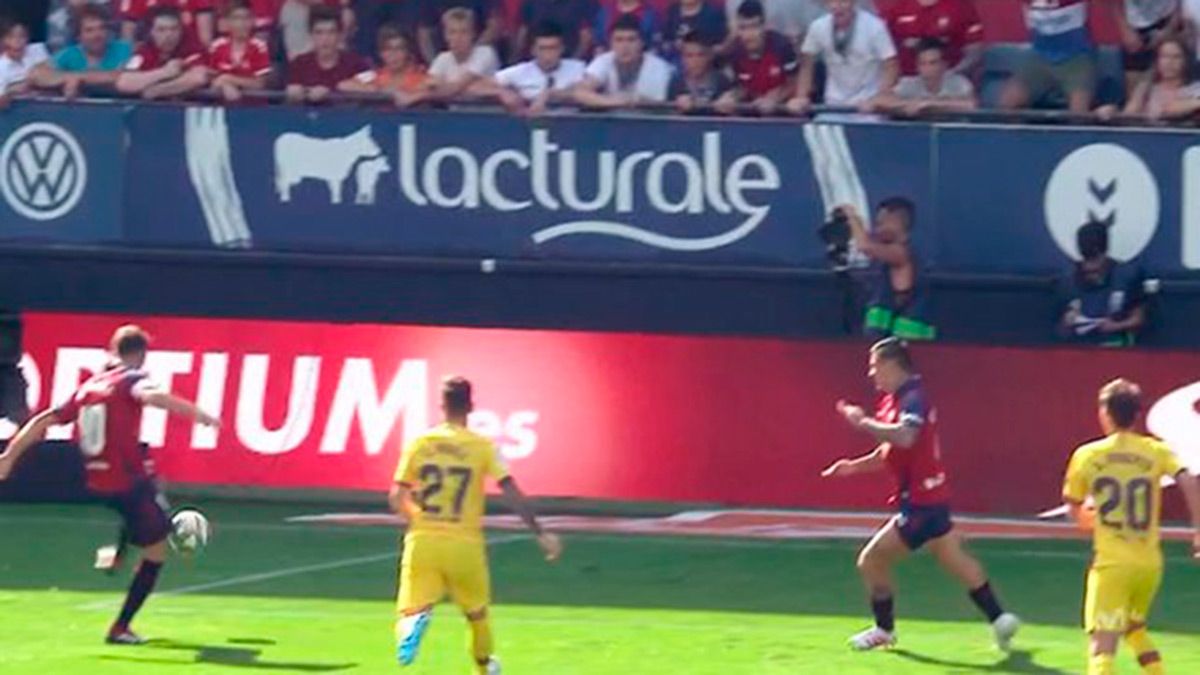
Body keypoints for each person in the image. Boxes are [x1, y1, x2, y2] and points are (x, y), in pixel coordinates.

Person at [0, 325, 221, 645]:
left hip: (100, 479)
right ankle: (121, 627)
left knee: (148, 492)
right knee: (156, 550)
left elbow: (44, 419)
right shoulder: (131, 380)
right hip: (125, 479)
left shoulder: (90, 386)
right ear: (141, 355)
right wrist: (199, 414)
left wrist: (9, 455)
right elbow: (152, 396)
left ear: (112, 351)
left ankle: (118, 554)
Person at [822, 338, 1020, 652]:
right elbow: (890, 449)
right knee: (953, 559)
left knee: (871, 561)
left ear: (891, 364)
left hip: (921, 504)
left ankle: (883, 630)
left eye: (874, 366)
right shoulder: (894, 399)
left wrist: (864, 423)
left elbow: (906, 436)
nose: (871, 374)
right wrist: (852, 467)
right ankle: (1000, 619)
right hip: (933, 498)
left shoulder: (913, 397)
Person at [390, 377, 562, 673]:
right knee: (477, 616)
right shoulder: (482, 447)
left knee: (410, 610)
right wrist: (540, 532)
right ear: (470, 407)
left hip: (423, 542)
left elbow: (396, 496)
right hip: (464, 546)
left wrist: (418, 519)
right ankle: (484, 668)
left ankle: (412, 626)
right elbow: (510, 489)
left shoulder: (420, 443)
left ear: (441, 405)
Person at [1060, 378, 1200, 675]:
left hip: (1112, 565)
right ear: (1137, 416)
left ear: (1105, 413)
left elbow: (1074, 506)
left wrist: (1089, 519)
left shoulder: (1088, 455)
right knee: (1134, 627)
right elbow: (1188, 479)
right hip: (1149, 564)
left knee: (1102, 645)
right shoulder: (1156, 451)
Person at [841, 199, 937, 341]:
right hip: (889, 343)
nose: (877, 230)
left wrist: (852, 217)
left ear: (896, 222)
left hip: (902, 345)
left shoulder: (901, 254)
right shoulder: (889, 258)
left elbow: (864, 246)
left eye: (881, 223)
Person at [791, 0, 897, 113]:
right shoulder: (818, 26)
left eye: (843, 2)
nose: (837, 7)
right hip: (832, 103)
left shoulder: (874, 26)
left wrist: (881, 96)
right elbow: (807, 64)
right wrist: (801, 97)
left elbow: (891, 65)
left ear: (853, 3)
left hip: (867, 103)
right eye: (832, 2)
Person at [1057, 220, 1148, 347]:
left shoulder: (1127, 276)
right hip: (1079, 351)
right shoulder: (1067, 280)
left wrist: (1116, 326)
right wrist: (1066, 322)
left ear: (1103, 252)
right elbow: (1060, 331)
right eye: (1087, 261)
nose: (1091, 269)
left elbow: (1139, 318)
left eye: (1095, 261)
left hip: (1117, 349)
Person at [1000, 0, 1096, 114]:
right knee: (1008, 104)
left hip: (1076, 59)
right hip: (1039, 58)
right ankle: (1020, 132)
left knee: (1079, 113)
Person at [30, 4, 133, 98]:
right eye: (89, 30)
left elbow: (126, 77)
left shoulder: (124, 49)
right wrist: (69, 78)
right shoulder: (70, 54)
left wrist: (79, 79)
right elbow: (36, 74)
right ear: (78, 37)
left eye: (102, 28)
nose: (97, 35)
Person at [574, 14, 673, 108]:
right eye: (619, 40)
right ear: (611, 44)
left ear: (641, 43)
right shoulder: (604, 61)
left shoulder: (658, 68)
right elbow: (579, 92)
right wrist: (616, 102)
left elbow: (655, 106)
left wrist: (634, 101)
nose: (625, 47)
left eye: (631, 40)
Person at [491, 20, 586, 114]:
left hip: (570, 125)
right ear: (533, 50)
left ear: (562, 49)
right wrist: (501, 92)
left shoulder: (579, 68)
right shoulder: (520, 71)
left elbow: (588, 93)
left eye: (553, 48)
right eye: (542, 49)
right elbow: (478, 85)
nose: (547, 55)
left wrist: (550, 94)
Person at [116, 6, 208, 99]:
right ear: (151, 32)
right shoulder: (145, 51)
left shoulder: (190, 48)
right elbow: (123, 83)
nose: (169, 35)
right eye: (161, 30)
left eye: (174, 29)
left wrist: (158, 90)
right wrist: (164, 72)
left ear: (181, 30)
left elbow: (199, 77)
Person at [285, 6, 370, 104]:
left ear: (340, 35)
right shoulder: (299, 64)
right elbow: (289, 97)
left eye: (331, 32)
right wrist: (296, 94)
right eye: (319, 33)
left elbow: (372, 87)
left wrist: (333, 91)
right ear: (311, 35)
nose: (325, 39)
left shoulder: (357, 63)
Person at [728, 0, 797, 115]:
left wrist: (775, 98)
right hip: (753, 113)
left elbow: (795, 82)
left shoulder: (782, 47)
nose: (748, 34)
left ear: (764, 26)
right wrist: (731, 97)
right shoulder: (736, 51)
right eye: (743, 28)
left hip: (784, 113)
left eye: (754, 27)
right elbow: (741, 86)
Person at [875, 37, 976, 116]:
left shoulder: (959, 83)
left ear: (944, 64)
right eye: (923, 63)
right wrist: (906, 105)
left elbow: (971, 105)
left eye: (933, 63)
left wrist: (929, 105)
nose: (928, 68)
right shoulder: (908, 84)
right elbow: (880, 101)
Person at [882, 0, 983, 78]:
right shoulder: (899, 9)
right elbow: (884, 51)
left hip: (950, 83)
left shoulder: (961, 7)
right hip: (907, 83)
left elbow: (975, 51)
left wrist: (954, 75)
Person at [339, 24, 430, 107]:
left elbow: (440, 88)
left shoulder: (420, 75)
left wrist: (415, 96)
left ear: (408, 52)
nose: (393, 55)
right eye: (388, 49)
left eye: (399, 49)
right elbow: (343, 85)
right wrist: (380, 90)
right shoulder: (374, 75)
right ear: (381, 53)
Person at [1110, 36, 1200, 120]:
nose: (1169, 62)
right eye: (1164, 57)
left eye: (1176, 57)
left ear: (1185, 61)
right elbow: (1128, 117)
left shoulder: (1195, 89)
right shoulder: (1146, 89)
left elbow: (1170, 110)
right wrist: (1112, 112)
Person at [427, 7, 501, 102]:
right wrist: (475, 88)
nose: (458, 37)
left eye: (464, 32)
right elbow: (430, 88)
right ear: (445, 35)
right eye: (453, 32)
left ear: (473, 34)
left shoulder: (485, 53)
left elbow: (456, 87)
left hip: (487, 112)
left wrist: (446, 89)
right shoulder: (442, 58)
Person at [206, 0, 273, 103]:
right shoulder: (216, 46)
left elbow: (259, 84)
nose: (242, 23)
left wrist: (228, 79)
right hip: (222, 108)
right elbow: (212, 82)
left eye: (246, 18)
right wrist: (225, 85)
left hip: (254, 109)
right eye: (236, 18)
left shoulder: (259, 47)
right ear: (227, 22)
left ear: (253, 21)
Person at [1115, 0, 1180, 95]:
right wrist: (1125, 30)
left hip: (1166, 19)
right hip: (1134, 26)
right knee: (1135, 86)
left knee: (1172, 75)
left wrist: (1171, 27)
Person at [669, 29, 736, 113]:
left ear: (709, 56)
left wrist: (727, 108)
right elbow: (668, 118)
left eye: (700, 55)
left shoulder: (721, 81)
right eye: (689, 56)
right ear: (682, 58)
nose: (695, 60)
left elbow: (732, 118)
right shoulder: (676, 82)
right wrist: (678, 110)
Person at [517, 0, 596, 60]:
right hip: (535, 61)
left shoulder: (580, 3)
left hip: (569, 58)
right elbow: (523, 33)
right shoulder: (530, 3)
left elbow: (585, 37)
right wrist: (516, 58)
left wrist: (574, 60)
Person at [662, 0, 726, 64]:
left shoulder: (713, 15)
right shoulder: (673, 11)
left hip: (703, 65)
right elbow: (666, 39)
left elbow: (718, 49)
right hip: (674, 63)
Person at [0, 19, 51, 99]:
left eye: (22, 36)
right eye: (11, 37)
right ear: (3, 40)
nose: (17, 41)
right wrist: (11, 91)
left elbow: (51, 74)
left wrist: (31, 81)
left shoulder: (37, 50)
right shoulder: (1, 67)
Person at [594, 0, 663, 53]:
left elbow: (655, 44)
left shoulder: (650, 14)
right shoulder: (605, 11)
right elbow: (599, 42)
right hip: (608, 61)